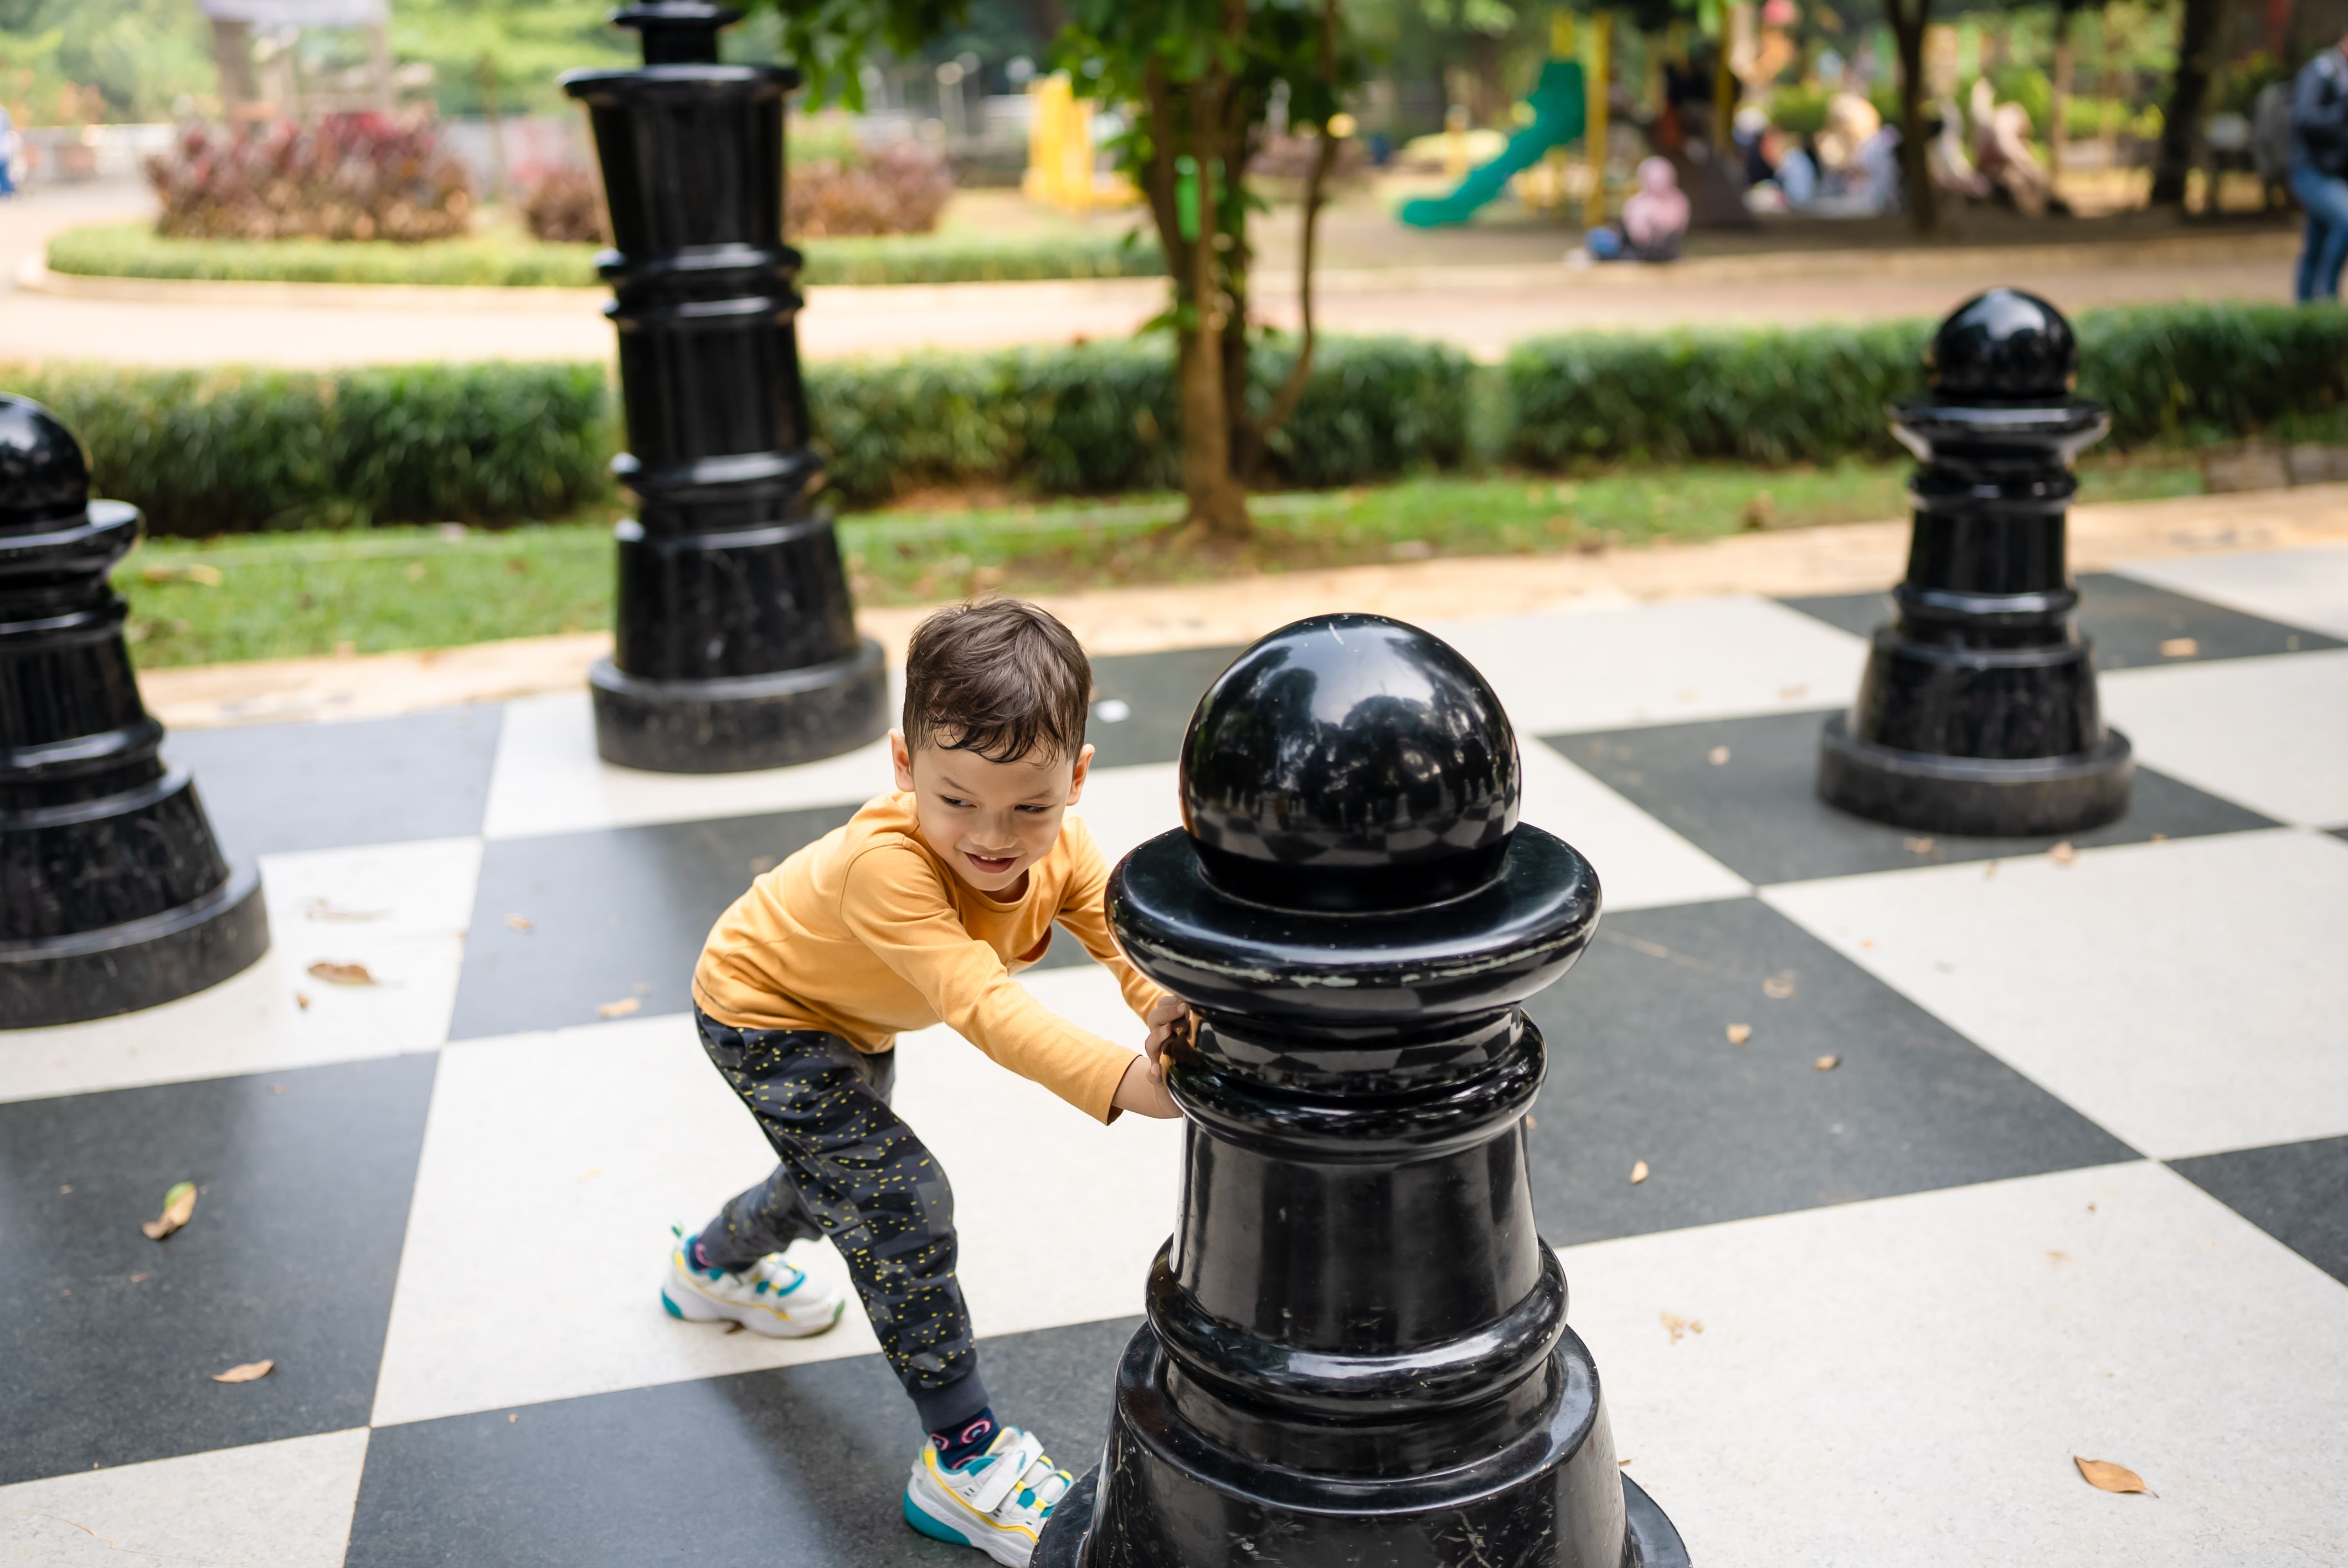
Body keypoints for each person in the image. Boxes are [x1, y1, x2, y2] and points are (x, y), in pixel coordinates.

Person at [665, 598, 1188, 1565]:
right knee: (896, 1199)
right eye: (957, 801)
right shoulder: (888, 865)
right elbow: (983, 1005)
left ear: (1076, 778)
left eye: (1030, 807)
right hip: (763, 1010)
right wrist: (1127, 1081)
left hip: (851, 1015)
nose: (994, 835)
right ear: (905, 767)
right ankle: (963, 1458)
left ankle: (708, 1265)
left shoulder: (1065, 848)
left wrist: (1166, 1010)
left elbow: (1123, 941)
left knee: (836, 1184)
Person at [2289, 29, 2348, 304]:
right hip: (2311, 171)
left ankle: (2306, 310)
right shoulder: (2322, 70)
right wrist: (2342, 111)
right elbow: (2303, 118)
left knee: (2317, 241)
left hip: (2335, 173)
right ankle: (2327, 295)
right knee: (2346, 219)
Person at [1579, 156, 1690, 262]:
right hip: (1638, 248)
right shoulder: (1639, 203)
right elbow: (1636, 233)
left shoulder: (1676, 201)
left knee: (1601, 239)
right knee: (1597, 235)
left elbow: (1643, 237)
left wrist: (1654, 225)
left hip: (1644, 253)